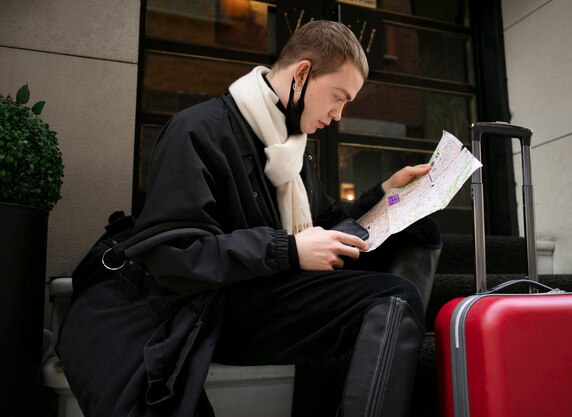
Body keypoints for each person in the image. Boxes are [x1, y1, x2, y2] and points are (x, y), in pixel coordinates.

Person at [57, 20, 442, 417]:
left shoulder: (293, 145)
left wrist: (384, 193)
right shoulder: (198, 129)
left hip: (270, 287)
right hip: (212, 306)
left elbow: (326, 219)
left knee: (420, 230)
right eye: (338, 97)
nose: (339, 115)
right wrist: (288, 250)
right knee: (396, 296)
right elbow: (174, 254)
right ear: (303, 73)